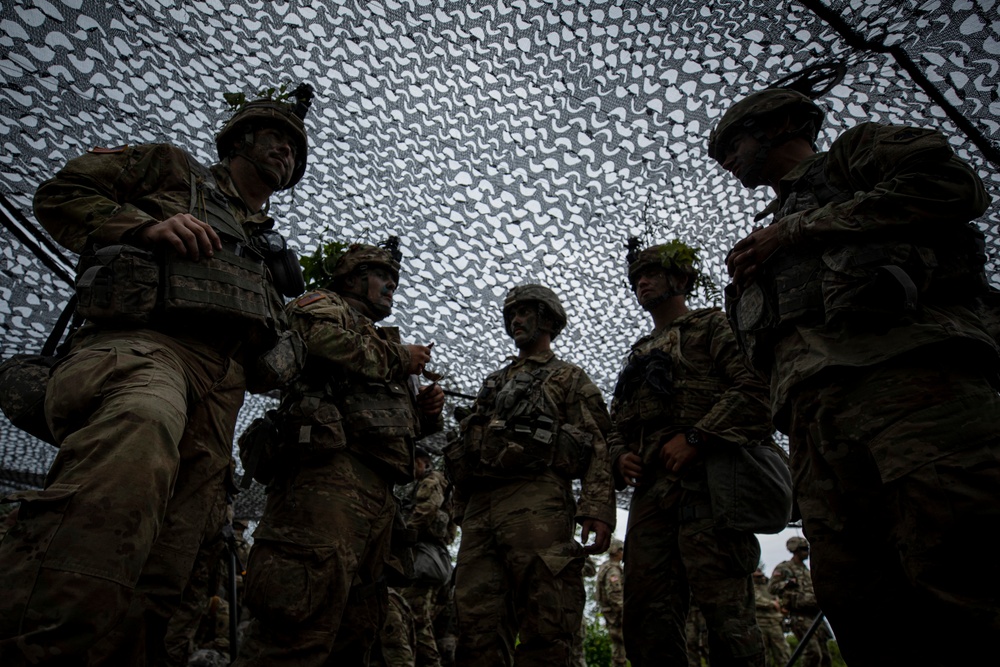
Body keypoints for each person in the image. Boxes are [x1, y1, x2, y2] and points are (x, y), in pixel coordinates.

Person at [0, 83, 314, 666]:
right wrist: (138, 227)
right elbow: (61, 193)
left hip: (225, 389)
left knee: (174, 551)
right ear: (240, 140)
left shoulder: (270, 249)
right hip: (149, 346)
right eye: (275, 138)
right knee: (134, 446)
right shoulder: (173, 170)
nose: (286, 153)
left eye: (295, 149)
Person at [710, 86, 1000, 665]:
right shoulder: (769, 230)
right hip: (814, 423)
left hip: (911, 390)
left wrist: (793, 233)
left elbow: (951, 186)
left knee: (964, 569)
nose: (728, 158)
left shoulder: (852, 157)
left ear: (785, 124)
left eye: (734, 141)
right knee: (860, 599)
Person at [234, 239, 444, 665]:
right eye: (383, 277)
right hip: (324, 482)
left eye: (394, 280)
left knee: (356, 629)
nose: (391, 287)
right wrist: (399, 358)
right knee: (295, 628)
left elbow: (394, 423)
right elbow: (316, 338)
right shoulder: (324, 305)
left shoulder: (378, 339)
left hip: (378, 496)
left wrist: (426, 411)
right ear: (352, 277)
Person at [609, 240, 772, 667]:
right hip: (651, 499)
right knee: (646, 622)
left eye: (650, 274)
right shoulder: (639, 352)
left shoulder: (714, 326)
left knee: (728, 621)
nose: (641, 283)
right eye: (635, 279)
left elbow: (756, 390)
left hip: (709, 490)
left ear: (680, 280)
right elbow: (615, 427)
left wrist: (698, 437)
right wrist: (619, 456)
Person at [445, 283, 616, 666]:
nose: (516, 320)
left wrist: (598, 508)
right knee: (475, 625)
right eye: (511, 315)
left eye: (524, 313)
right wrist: (460, 506)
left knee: (547, 623)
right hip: (482, 509)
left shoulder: (569, 377)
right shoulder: (494, 381)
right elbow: (473, 443)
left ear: (549, 320)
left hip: (539, 503)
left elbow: (599, 442)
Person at [399, 445, 457, 667]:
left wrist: (403, 534)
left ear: (421, 461)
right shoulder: (439, 483)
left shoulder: (431, 481)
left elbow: (426, 510)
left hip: (425, 556)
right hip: (433, 557)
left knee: (416, 620)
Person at [768, 538, 829, 667]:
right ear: (795, 550)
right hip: (800, 616)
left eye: (807, 549)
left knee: (825, 655)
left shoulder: (807, 570)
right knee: (813, 652)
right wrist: (786, 584)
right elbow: (771, 588)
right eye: (803, 549)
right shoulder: (785, 568)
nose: (807, 552)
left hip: (815, 615)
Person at [595, 539, 626, 667]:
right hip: (617, 617)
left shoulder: (605, 567)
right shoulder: (613, 570)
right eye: (622, 550)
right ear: (617, 551)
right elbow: (615, 595)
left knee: (618, 651)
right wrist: (623, 612)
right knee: (620, 654)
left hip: (611, 616)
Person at [752, 568, 790, 667]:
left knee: (783, 653)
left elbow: (780, 599)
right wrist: (771, 604)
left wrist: (782, 606)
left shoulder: (769, 586)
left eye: (761, 576)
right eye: (757, 577)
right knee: (763, 656)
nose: (760, 578)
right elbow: (756, 600)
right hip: (760, 624)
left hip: (775, 623)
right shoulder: (750, 587)